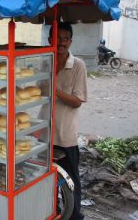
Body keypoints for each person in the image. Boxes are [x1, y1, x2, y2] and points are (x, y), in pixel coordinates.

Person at [49, 22, 87, 220]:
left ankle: (74, 216)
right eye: (57, 38)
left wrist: (55, 91)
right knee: (47, 180)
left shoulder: (78, 65)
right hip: (44, 134)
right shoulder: (46, 60)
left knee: (71, 180)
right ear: (49, 40)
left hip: (65, 136)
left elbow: (78, 101)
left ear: (70, 41)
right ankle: (52, 212)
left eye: (65, 39)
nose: (61, 43)